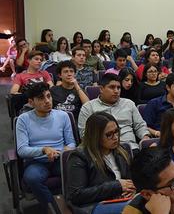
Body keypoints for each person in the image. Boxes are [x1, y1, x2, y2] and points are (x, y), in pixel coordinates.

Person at [16, 82, 76, 212]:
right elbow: (21, 150)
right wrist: (43, 150)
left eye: (49, 96)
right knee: (32, 178)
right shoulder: (23, 119)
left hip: (59, 159)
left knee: (78, 168)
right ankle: (53, 209)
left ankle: (73, 203)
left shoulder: (62, 116)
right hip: (36, 162)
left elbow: (71, 142)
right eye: (41, 98)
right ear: (31, 102)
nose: (47, 101)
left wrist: (65, 150)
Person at [66, 112, 134, 214]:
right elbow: (76, 195)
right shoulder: (79, 156)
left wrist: (132, 189)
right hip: (95, 205)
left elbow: (132, 179)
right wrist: (116, 186)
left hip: (121, 200)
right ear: (96, 136)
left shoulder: (122, 151)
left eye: (117, 131)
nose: (115, 137)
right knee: (137, 208)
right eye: (109, 134)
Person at [78, 73, 150, 151]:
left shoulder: (129, 104)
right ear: (101, 89)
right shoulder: (88, 107)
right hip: (102, 150)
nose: (116, 91)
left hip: (130, 148)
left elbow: (140, 125)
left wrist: (145, 136)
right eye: (112, 87)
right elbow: (84, 135)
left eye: (118, 88)